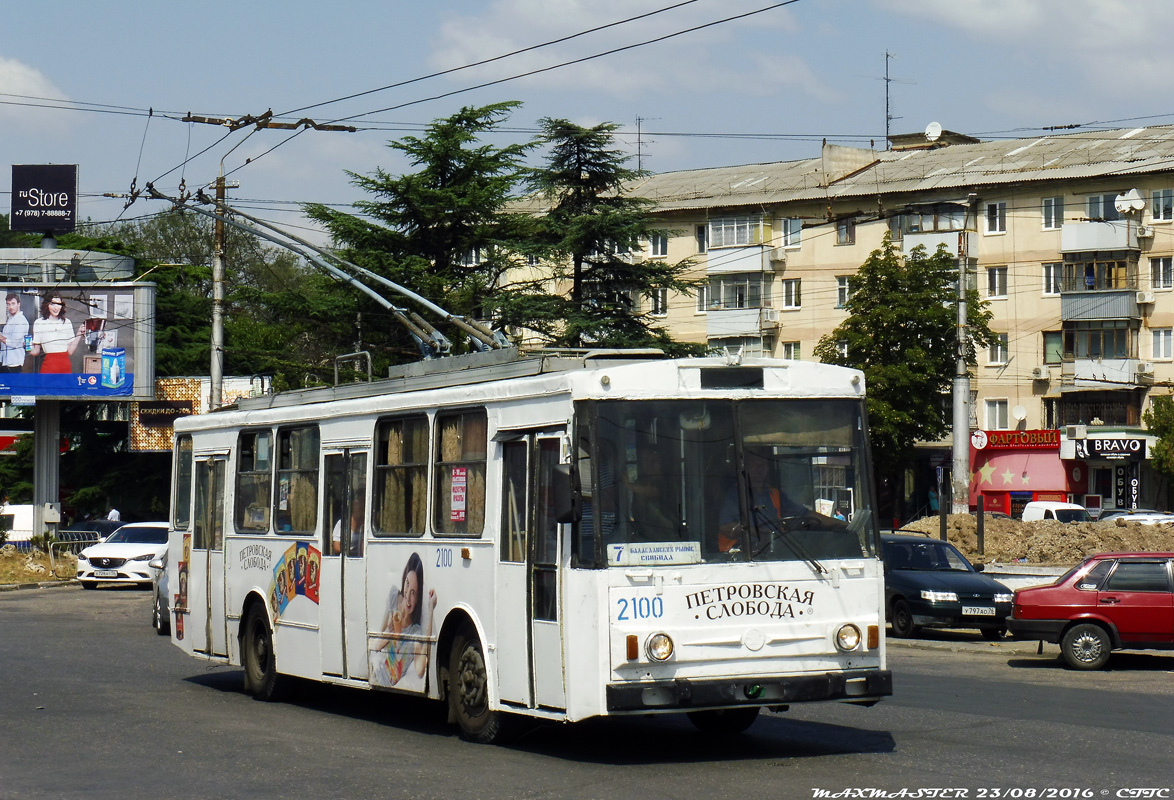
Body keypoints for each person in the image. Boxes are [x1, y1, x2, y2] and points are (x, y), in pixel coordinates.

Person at [371, 552, 437, 688]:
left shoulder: (415, 632)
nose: (407, 595)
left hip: (385, 683)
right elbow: (376, 645)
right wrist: (390, 630)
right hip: (374, 671)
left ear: (418, 598)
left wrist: (431, 608)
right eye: (407, 584)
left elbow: (420, 670)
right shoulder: (395, 599)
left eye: (413, 593)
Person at [717, 451, 806, 552]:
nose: (760, 469)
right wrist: (761, 533)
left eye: (763, 465)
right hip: (739, 553)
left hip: (773, 549)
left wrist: (827, 522)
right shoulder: (735, 494)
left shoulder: (775, 493)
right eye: (755, 465)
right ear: (745, 469)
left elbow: (802, 514)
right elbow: (725, 527)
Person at [30, 295, 83, 374]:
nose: (56, 307)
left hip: (65, 367)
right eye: (52, 304)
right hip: (48, 367)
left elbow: (70, 351)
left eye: (58, 304)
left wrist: (79, 333)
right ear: (46, 305)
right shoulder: (39, 323)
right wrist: (27, 347)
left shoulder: (66, 322)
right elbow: (35, 351)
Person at [0, 293, 29, 373]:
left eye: (13, 304)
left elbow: (13, 343)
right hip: (5, 362)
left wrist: (0, 337)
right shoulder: (11, 319)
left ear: (18, 304)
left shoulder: (21, 321)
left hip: (14, 363)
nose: (10, 307)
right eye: (8, 304)